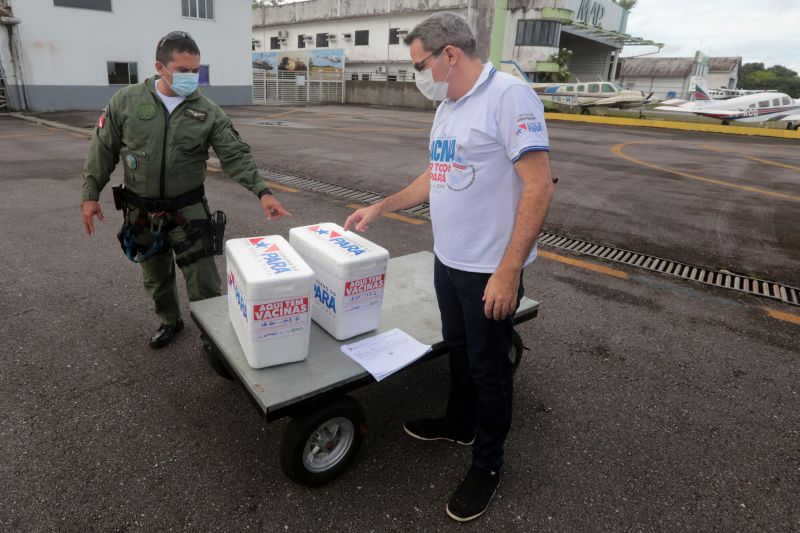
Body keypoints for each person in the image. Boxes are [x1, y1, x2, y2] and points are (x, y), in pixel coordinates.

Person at [344, 13, 554, 522]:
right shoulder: (449, 104)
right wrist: (381, 206)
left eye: (420, 64)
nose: (419, 75)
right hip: (449, 259)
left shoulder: (507, 97)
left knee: (489, 367)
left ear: (449, 55)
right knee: (458, 350)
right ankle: (460, 422)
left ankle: (488, 463)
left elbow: (539, 186)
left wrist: (507, 273)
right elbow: (434, 176)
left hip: (488, 269)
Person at [81, 31, 290, 349]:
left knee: (203, 277)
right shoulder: (126, 102)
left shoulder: (206, 111)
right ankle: (169, 321)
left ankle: (212, 334)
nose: (191, 78)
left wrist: (263, 192)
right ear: (160, 67)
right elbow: (103, 149)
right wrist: (90, 194)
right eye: (183, 71)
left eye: (196, 71)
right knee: (155, 275)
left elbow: (234, 155)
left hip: (187, 209)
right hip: (141, 211)